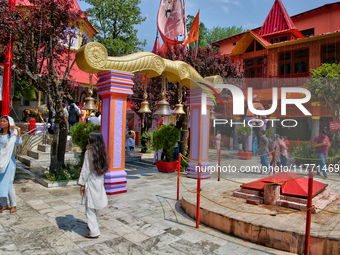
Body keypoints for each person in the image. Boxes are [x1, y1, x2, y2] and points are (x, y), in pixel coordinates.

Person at [78, 131, 108, 238]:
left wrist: (81, 184)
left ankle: (94, 232)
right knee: (95, 207)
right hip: (99, 181)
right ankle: (93, 226)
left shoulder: (89, 153)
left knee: (89, 208)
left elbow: (85, 170)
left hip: (90, 182)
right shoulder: (102, 152)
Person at [0, 116, 22, 213]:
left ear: (9, 123)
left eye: (4, 121)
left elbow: (19, 141)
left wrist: (17, 129)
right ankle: (4, 204)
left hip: (9, 162)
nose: (1, 122)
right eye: (1, 121)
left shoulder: (11, 136)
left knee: (8, 183)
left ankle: (14, 205)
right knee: (0, 183)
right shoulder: (0, 134)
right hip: (0, 161)